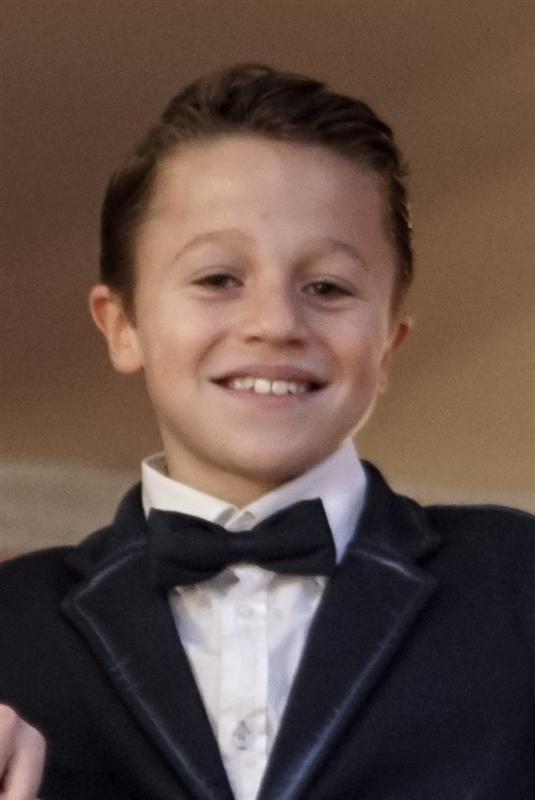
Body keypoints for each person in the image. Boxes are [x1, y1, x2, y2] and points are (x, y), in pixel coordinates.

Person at [1, 64, 534, 800]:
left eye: (327, 287)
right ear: (122, 327)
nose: (276, 323)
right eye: (218, 279)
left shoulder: (517, 581)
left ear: (387, 346)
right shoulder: (10, 622)